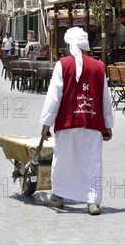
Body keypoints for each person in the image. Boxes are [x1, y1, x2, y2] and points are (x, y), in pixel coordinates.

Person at [40, 26, 114, 216]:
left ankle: (58, 196)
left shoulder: (62, 64)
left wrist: (46, 123)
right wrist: (108, 125)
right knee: (93, 162)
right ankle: (93, 202)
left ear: (69, 45)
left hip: (67, 121)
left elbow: (54, 96)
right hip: (92, 121)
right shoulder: (99, 67)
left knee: (63, 160)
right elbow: (105, 98)